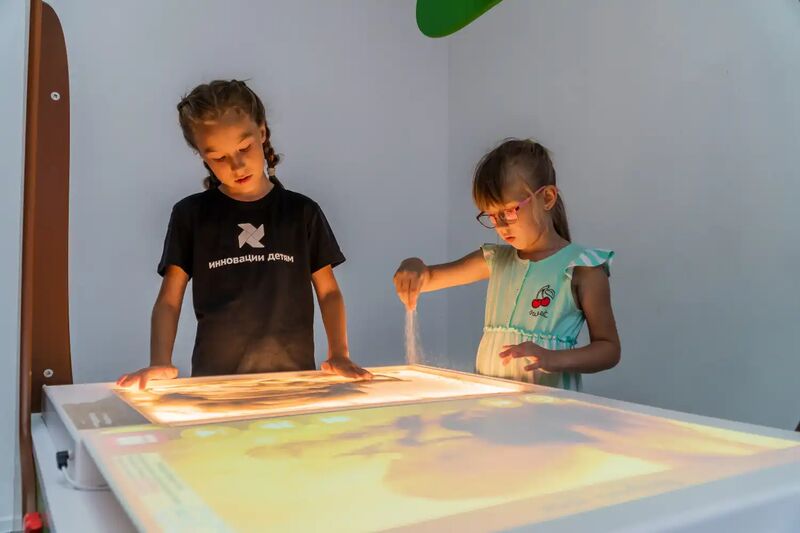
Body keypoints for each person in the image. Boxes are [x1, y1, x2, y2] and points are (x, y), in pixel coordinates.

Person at [118, 80, 371, 389]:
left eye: (244, 148)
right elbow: (169, 301)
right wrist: (160, 361)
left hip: (294, 385)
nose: (236, 165)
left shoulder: (301, 212)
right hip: (215, 389)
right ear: (202, 156)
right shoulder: (190, 215)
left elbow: (329, 292)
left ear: (262, 132)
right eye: (218, 157)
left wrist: (339, 354)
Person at [393, 139, 619, 389]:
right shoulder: (494, 260)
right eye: (492, 215)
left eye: (509, 212)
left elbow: (608, 349)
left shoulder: (582, 268)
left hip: (551, 405)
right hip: (493, 402)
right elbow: (429, 278)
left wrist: (553, 359)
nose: (500, 226)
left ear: (547, 197)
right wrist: (413, 266)